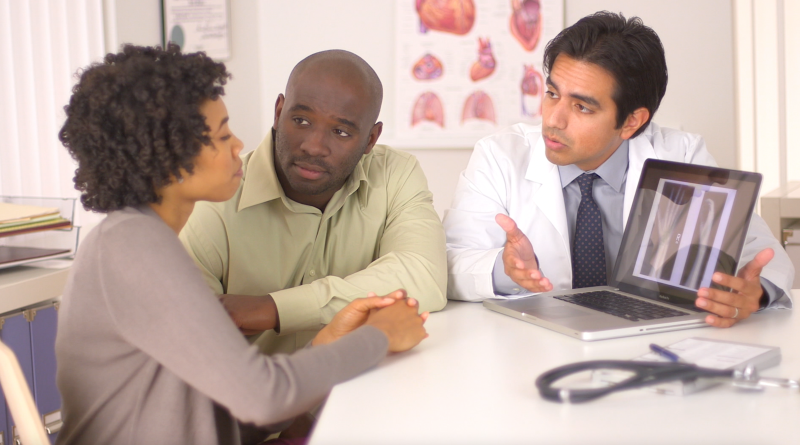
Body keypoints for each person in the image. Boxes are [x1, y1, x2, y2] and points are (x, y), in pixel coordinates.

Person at [55, 44, 428, 445]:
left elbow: (220, 415)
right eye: (221, 135)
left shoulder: (143, 238)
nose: (239, 146)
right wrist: (378, 337)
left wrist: (325, 342)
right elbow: (263, 399)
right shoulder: (131, 244)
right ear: (166, 155)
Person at [444, 11, 794, 328]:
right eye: (552, 94)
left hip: (648, 343)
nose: (554, 119)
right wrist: (504, 271)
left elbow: (759, 253)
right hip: (532, 343)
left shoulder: (681, 155)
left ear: (631, 121)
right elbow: (451, 261)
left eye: (582, 107)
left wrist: (756, 293)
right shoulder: (499, 157)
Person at [179, 50, 446, 354]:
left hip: (362, 389)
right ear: (279, 112)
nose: (314, 146)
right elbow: (193, 347)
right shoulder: (214, 200)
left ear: (371, 139)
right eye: (302, 120)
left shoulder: (394, 174)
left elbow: (424, 275)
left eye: (341, 131)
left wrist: (275, 308)